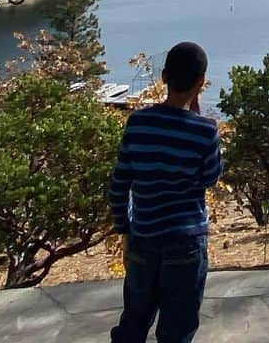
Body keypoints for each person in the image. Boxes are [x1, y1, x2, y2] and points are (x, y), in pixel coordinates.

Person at [110, 41, 223, 343]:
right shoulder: (205, 131)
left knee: (133, 320)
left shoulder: (138, 123)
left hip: (143, 238)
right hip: (185, 242)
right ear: (201, 82)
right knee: (177, 329)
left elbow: (120, 182)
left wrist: (124, 229)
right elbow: (210, 177)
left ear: (163, 76)